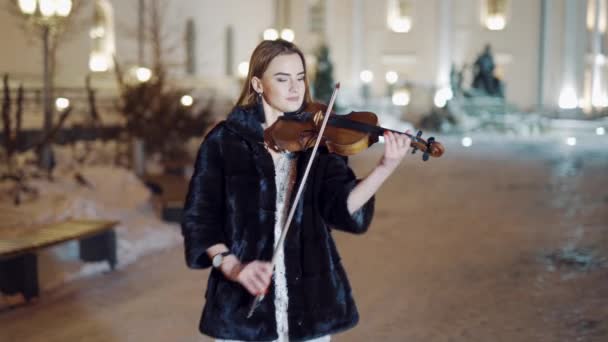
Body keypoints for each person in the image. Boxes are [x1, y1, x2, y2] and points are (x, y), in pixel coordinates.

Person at [181, 39, 411, 342]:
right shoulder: (224, 141)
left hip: (310, 307)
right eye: (282, 78)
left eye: (300, 77)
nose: (295, 88)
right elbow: (200, 219)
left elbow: (341, 207)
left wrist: (384, 168)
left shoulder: (319, 140)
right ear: (258, 84)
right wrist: (233, 266)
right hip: (242, 310)